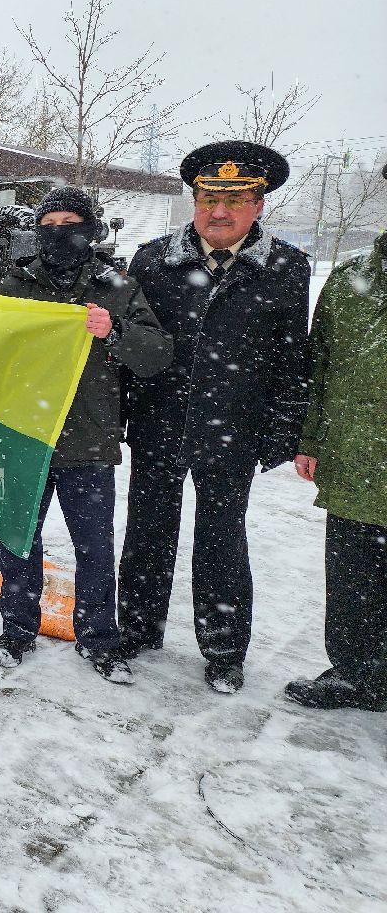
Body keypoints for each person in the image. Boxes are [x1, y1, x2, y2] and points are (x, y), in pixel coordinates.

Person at [118, 141, 310, 695]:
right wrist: (124, 416)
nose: (219, 212)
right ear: (194, 199)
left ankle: (224, 646)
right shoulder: (153, 259)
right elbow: (132, 345)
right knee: (147, 531)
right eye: (208, 198)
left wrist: (281, 432)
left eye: (235, 200)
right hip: (160, 421)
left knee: (222, 538)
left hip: (233, 428)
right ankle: (137, 626)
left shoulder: (284, 267)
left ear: (259, 205)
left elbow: (291, 357)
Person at [0, 187, 173, 679]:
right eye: (48, 224)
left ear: (90, 228)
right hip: (25, 434)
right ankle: (17, 628)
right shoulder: (17, 282)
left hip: (87, 437)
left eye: (70, 222)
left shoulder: (116, 285)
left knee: (93, 545)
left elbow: (156, 354)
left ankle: (98, 636)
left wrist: (113, 330)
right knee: (19, 540)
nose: (58, 232)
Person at [286, 225, 387, 712]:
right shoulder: (351, 279)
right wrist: (308, 439)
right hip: (355, 460)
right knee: (352, 576)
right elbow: (319, 365)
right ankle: (353, 673)